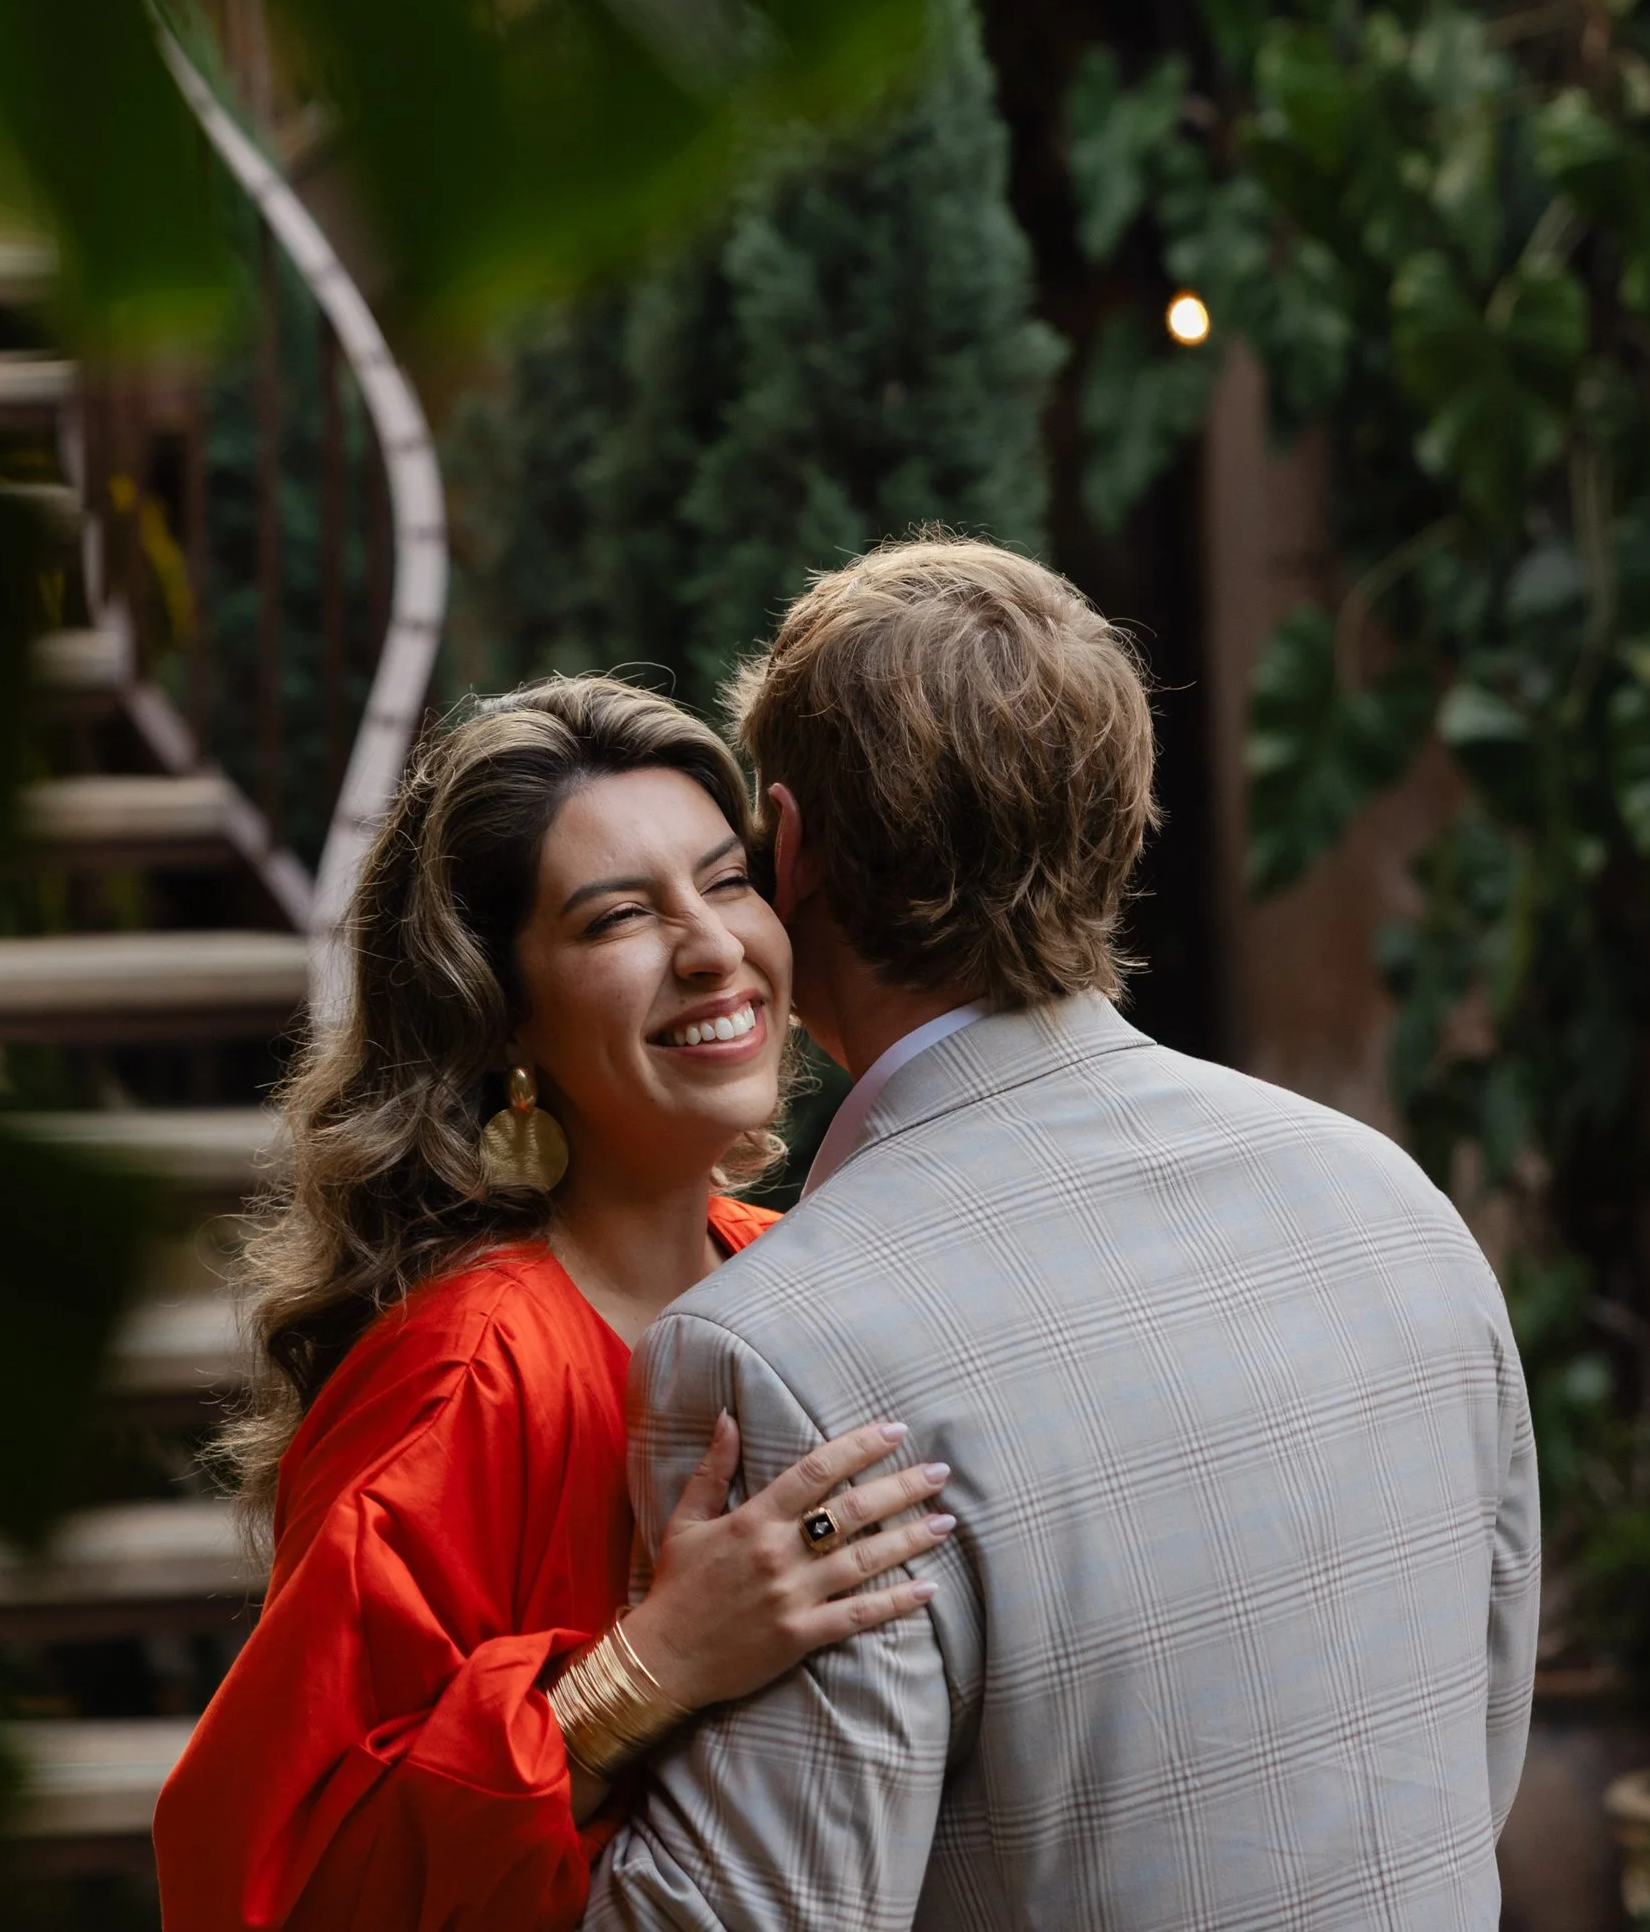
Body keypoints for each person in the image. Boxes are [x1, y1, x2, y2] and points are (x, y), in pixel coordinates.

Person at [586, 533, 1542, 1932]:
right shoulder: (1396, 1206)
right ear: (1118, 822)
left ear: (788, 846)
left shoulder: (781, 1348)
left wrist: (594, 1701)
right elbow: (1471, 1758)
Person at [153, 675, 954, 1931]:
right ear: (501, 1014)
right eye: (616, 917)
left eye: (727, 880)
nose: (710, 947)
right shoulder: (466, 1371)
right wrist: (653, 1666)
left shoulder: (806, 1264)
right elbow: (273, 1878)